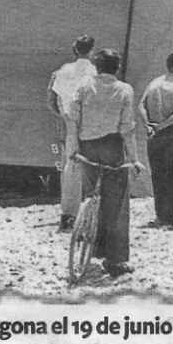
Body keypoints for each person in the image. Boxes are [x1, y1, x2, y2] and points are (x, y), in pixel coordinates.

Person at [72, 49, 145, 277]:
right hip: (112, 146)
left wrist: (72, 149)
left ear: (96, 66)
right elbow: (127, 128)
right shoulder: (124, 89)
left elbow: (73, 120)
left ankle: (92, 243)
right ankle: (115, 260)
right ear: (117, 67)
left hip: (87, 146)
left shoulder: (83, 87)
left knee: (91, 195)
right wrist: (134, 159)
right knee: (117, 203)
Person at [48, 35, 97, 231]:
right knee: (94, 168)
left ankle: (68, 214)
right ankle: (92, 215)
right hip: (92, 125)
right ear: (92, 50)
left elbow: (52, 100)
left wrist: (64, 116)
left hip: (68, 124)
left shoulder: (61, 71)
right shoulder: (96, 72)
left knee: (70, 167)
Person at [141, 52, 173, 226]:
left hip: (154, 135)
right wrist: (163, 124)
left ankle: (160, 214)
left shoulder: (154, 83)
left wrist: (148, 124)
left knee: (158, 175)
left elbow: (141, 105)